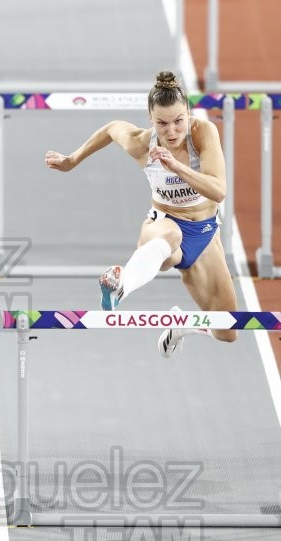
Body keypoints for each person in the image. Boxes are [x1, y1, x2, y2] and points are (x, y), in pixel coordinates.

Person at [45, 71, 238, 357]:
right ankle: (120, 286)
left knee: (227, 331)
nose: (171, 132)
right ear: (150, 118)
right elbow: (112, 128)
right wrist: (72, 161)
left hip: (206, 235)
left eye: (178, 122)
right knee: (171, 236)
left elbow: (219, 191)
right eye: (162, 123)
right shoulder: (141, 143)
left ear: (188, 114)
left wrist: (177, 167)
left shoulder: (203, 134)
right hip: (162, 225)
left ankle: (179, 327)